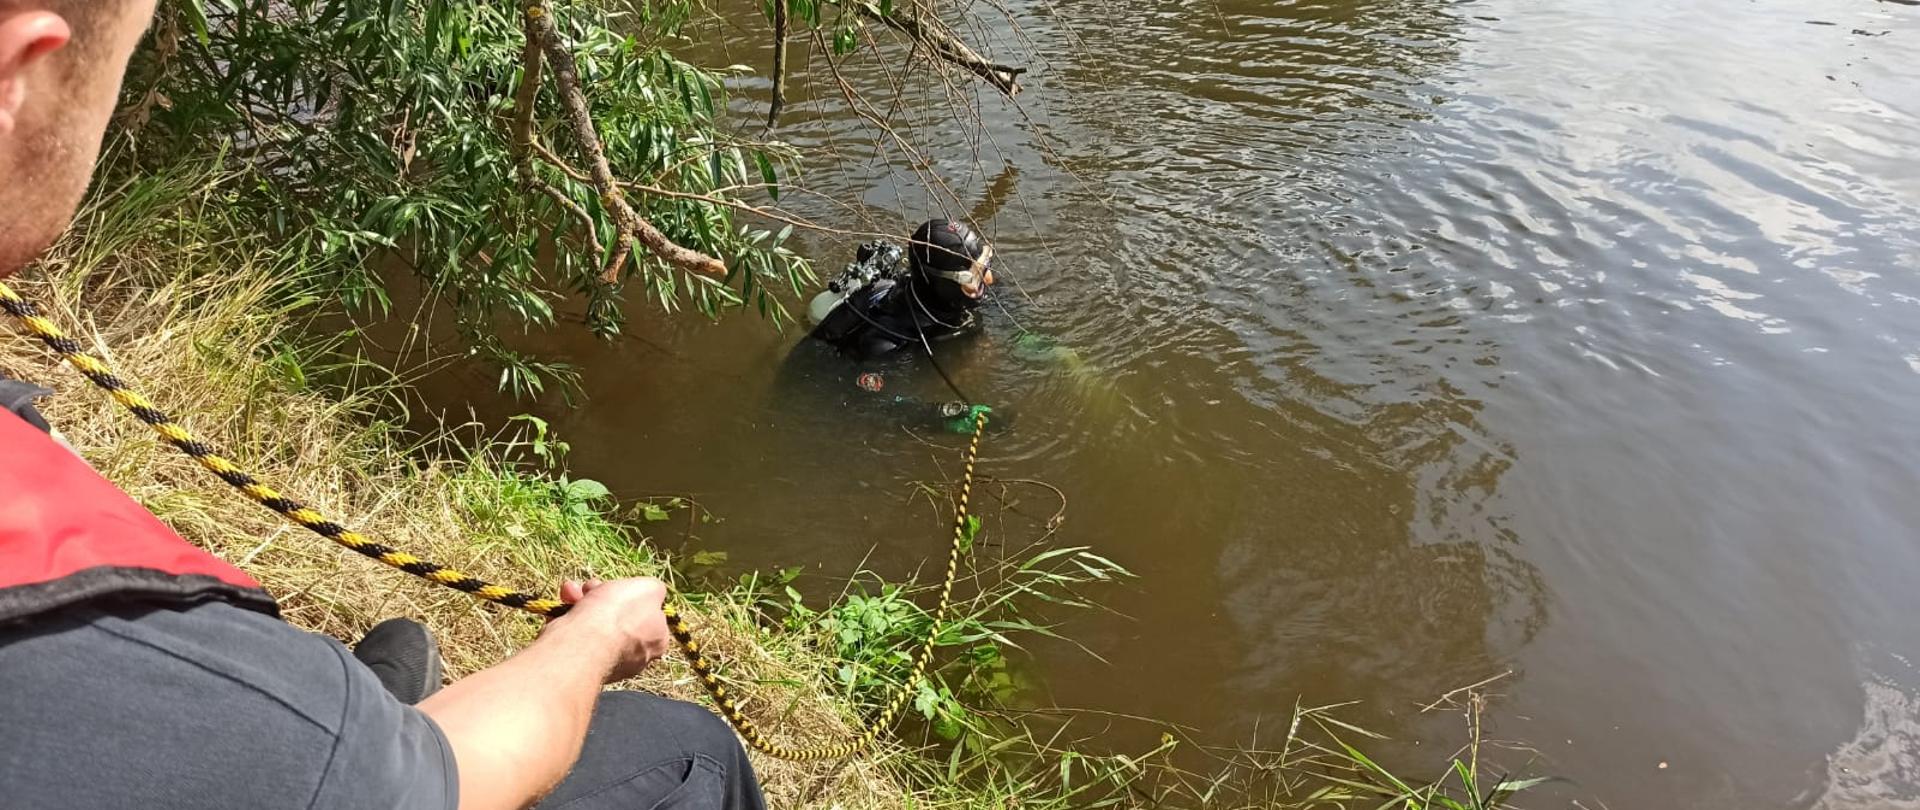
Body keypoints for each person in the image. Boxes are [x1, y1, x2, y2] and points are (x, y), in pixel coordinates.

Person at [0, 2, 765, 808]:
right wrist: (596, 638)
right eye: (130, 54)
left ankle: (380, 695)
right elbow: (427, 782)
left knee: (391, 661)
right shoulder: (114, 665)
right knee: (690, 751)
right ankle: (382, 706)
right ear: (16, 74)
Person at [807, 218, 997, 362]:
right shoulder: (886, 343)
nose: (986, 280)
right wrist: (944, 411)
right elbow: (871, 401)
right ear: (939, 282)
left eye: (985, 265)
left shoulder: (949, 294)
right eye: (974, 276)